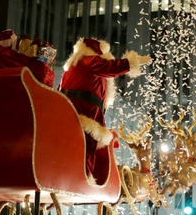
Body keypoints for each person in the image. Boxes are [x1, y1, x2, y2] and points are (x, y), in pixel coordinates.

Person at [57, 38, 151, 183]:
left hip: (68, 110)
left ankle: (64, 173)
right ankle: (84, 178)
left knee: (69, 145)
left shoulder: (70, 67)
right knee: (88, 146)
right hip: (87, 112)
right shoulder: (91, 61)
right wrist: (134, 61)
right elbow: (111, 68)